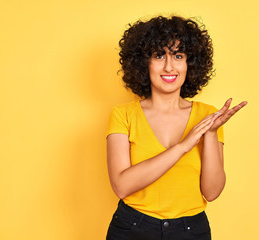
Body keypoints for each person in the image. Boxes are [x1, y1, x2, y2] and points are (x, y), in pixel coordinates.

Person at [105, 15, 247, 240]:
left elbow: (212, 192)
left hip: (191, 230)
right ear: (144, 63)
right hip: (133, 228)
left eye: (178, 56)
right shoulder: (123, 115)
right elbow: (122, 186)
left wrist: (209, 133)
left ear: (189, 64)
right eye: (159, 55)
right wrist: (183, 146)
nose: (169, 66)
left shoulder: (208, 116)